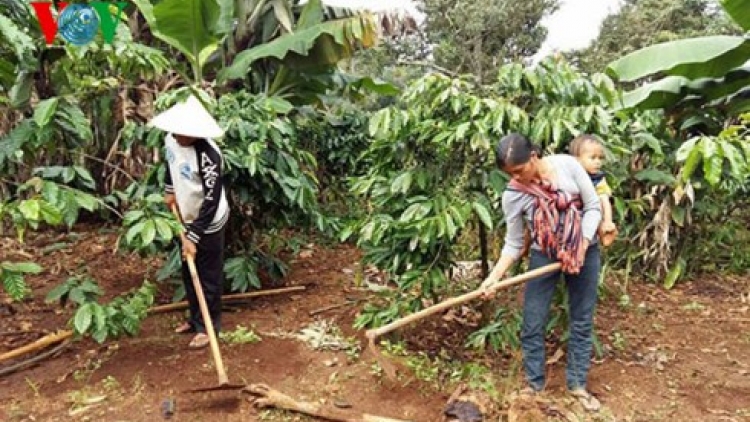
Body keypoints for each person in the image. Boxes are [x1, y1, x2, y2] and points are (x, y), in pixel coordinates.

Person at [480, 133, 602, 411]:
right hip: (544, 255)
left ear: (533, 157)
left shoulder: (568, 166)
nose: (517, 178)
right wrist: (493, 278)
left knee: (581, 320)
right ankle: (534, 385)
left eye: (520, 170)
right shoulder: (513, 195)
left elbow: (593, 207)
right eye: (510, 174)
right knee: (532, 322)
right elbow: (513, 243)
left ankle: (577, 385)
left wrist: (581, 245)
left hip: (586, 251)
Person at [149, 95, 229, 350]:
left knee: (208, 275)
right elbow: (170, 166)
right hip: (185, 214)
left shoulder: (208, 156)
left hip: (209, 220)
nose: (175, 136)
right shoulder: (170, 140)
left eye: (181, 133)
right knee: (188, 271)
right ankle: (195, 319)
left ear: (194, 133)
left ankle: (208, 326)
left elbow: (212, 199)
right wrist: (170, 190)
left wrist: (194, 236)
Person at [568, 134, 618, 247]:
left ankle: (603, 232)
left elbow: (605, 201)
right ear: (576, 159)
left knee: (600, 201)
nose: (598, 162)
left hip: (590, 222)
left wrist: (608, 221)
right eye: (593, 158)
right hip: (571, 222)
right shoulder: (568, 177)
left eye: (600, 158)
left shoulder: (598, 180)